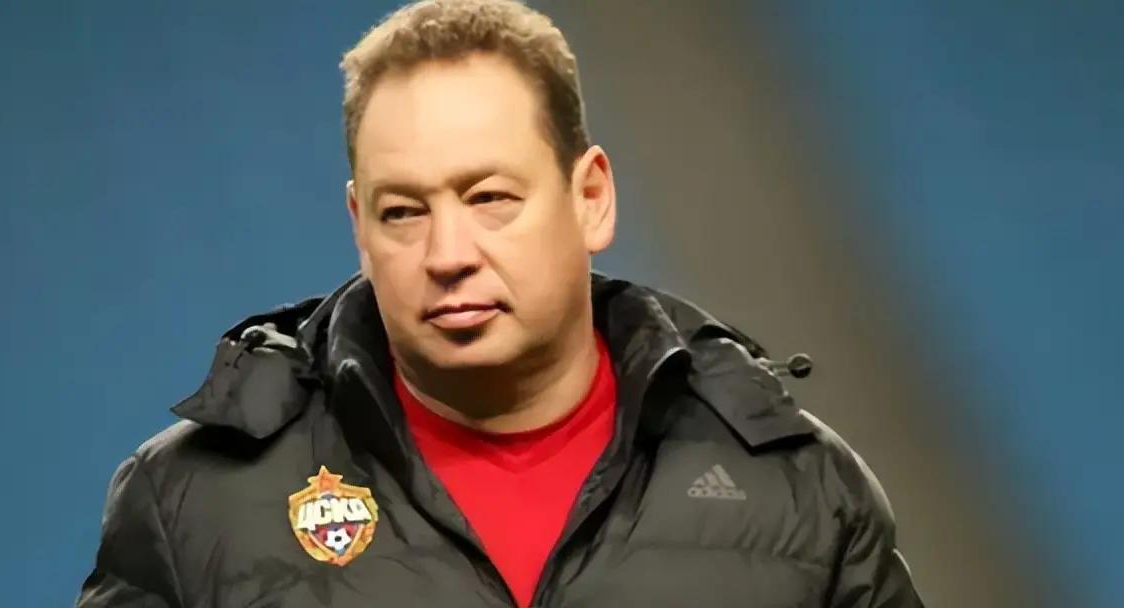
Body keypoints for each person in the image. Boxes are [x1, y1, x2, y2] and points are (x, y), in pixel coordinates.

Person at [77, 1, 925, 606]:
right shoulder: (194, 503)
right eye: (403, 212)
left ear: (590, 198)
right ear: (358, 226)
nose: (447, 255)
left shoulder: (799, 493)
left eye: (490, 198)